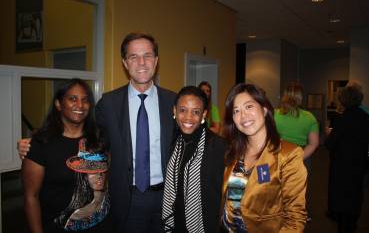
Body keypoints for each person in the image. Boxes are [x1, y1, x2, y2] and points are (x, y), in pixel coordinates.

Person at [18, 32, 176, 233]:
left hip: (167, 197)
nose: (141, 62)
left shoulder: (173, 102)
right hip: (126, 201)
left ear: (156, 60)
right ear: (125, 63)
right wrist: (33, 144)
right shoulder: (108, 103)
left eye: (147, 55)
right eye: (133, 57)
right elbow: (86, 131)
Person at [21, 78, 112, 233]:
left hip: (102, 224)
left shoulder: (99, 137)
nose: (80, 105)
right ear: (58, 104)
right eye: (72, 99)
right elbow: (31, 197)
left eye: (85, 100)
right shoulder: (41, 144)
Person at [221, 83, 307, 232]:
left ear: (265, 109)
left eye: (249, 107)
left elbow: (295, 220)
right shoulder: (233, 151)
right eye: (236, 111)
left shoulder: (288, 155)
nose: (243, 116)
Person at [162, 86, 226, 232]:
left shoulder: (218, 146)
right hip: (175, 223)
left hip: (203, 225)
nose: (188, 117)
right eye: (183, 110)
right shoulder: (172, 141)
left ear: (204, 114)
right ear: (174, 111)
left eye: (195, 112)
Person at [325, 86, 369, 233]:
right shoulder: (365, 117)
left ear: (343, 99)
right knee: (355, 194)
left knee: (341, 197)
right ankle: (352, 223)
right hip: (359, 163)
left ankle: (343, 225)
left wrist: (329, 134)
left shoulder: (341, 119)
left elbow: (330, 145)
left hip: (342, 165)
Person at [274, 82, 319, 220]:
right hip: (302, 158)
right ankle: (297, 217)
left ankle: (278, 215)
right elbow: (314, 144)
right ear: (300, 98)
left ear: (284, 96)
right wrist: (297, 158)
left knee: (277, 188)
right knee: (298, 190)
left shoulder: (274, 114)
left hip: (278, 157)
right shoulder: (309, 117)